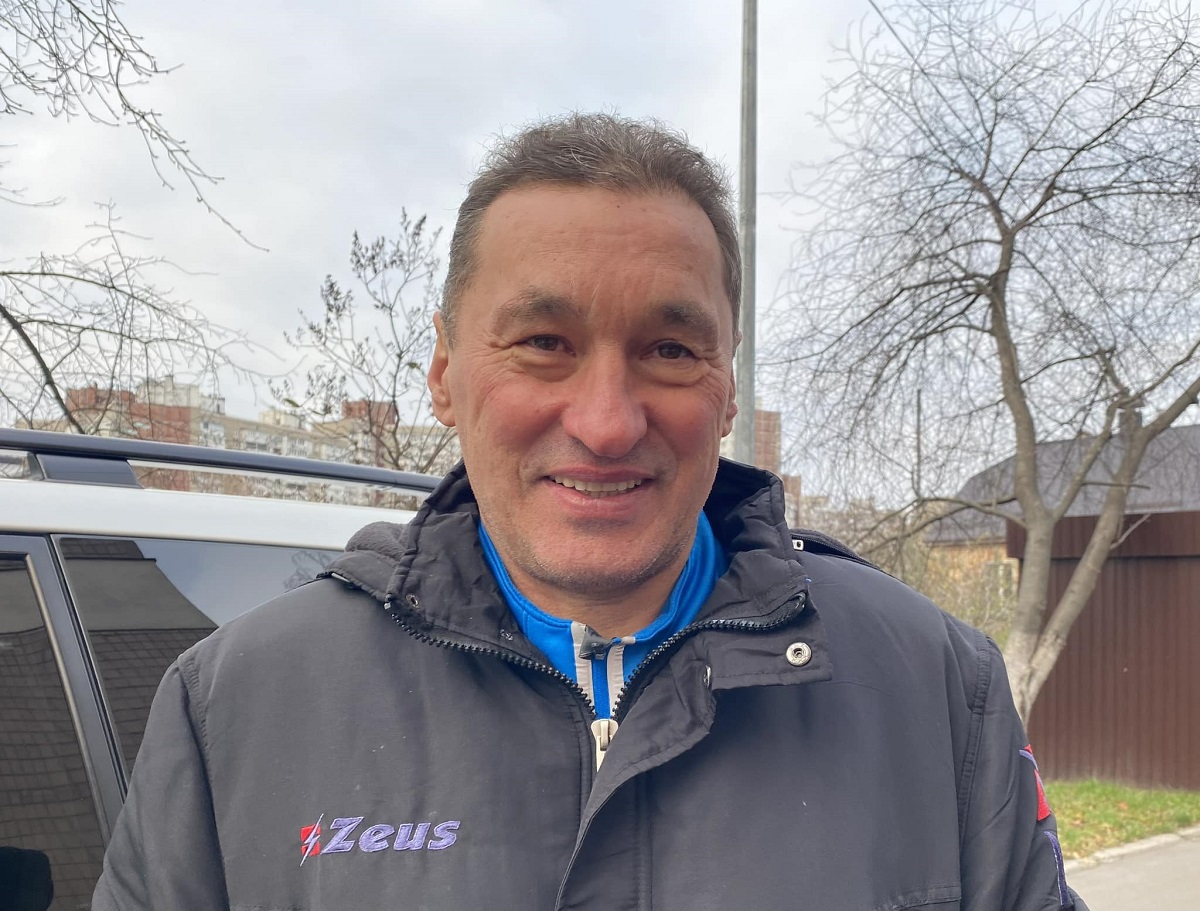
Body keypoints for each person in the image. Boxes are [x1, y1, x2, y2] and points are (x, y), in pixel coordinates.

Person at [92, 113, 1088, 911]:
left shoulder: (934, 688)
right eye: (543, 342)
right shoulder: (236, 708)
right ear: (444, 372)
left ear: (726, 388)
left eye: (669, 350)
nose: (608, 423)